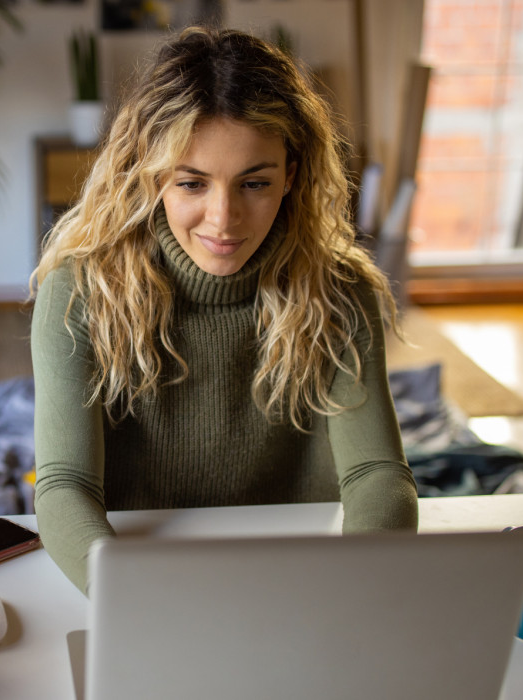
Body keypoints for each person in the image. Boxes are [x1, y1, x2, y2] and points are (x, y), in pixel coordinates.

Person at [30, 26, 418, 594]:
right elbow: (64, 486)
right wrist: (132, 600)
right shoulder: (81, 291)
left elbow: (377, 474)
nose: (223, 219)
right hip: (141, 574)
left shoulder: (338, 290)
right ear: (152, 175)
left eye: (254, 183)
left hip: (298, 576)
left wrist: (352, 590)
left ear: (291, 175)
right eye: (192, 184)